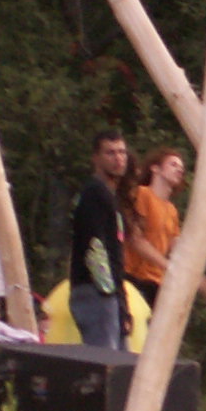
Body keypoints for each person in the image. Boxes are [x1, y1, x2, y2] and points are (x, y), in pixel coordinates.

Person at [69, 132, 130, 351]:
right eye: (110, 153)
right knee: (106, 361)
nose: (118, 158)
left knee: (120, 361)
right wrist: (108, 293)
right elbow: (95, 247)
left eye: (122, 152)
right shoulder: (94, 193)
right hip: (96, 292)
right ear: (96, 157)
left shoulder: (109, 195)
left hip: (107, 295)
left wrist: (121, 303)